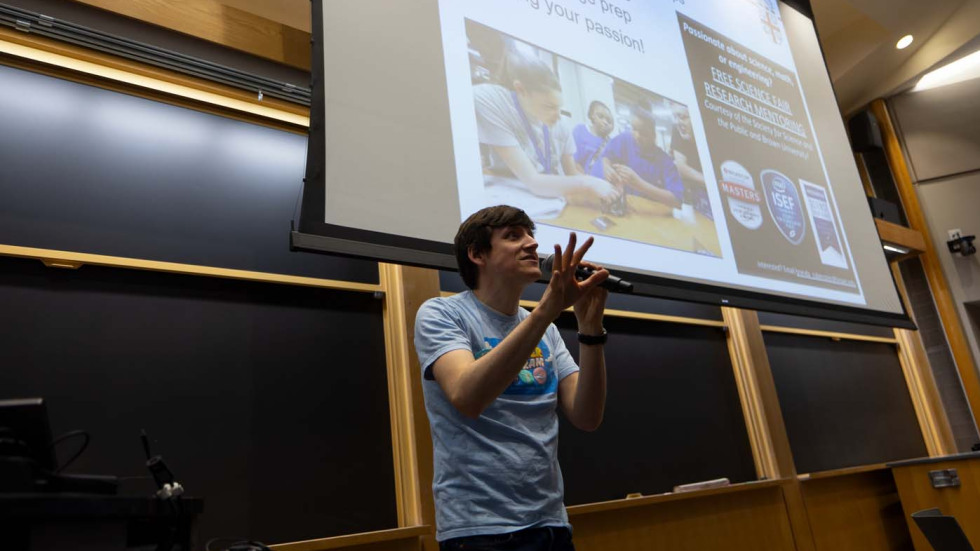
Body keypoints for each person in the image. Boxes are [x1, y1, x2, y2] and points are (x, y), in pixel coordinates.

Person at [414, 205, 609, 550]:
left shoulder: (544, 331)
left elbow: (587, 416)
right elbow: (468, 396)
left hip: (551, 524)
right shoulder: (442, 314)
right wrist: (547, 310)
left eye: (531, 234)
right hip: (478, 530)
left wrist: (590, 330)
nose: (533, 244)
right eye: (513, 236)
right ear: (477, 254)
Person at [474, 50, 619, 206]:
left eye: (559, 107)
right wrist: (589, 183)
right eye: (549, 107)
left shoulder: (561, 126)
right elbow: (534, 181)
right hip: (509, 200)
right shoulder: (492, 100)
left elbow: (572, 173)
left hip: (552, 203)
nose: (557, 116)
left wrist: (601, 187)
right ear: (520, 90)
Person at [599, 108, 684, 209]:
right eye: (634, 128)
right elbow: (607, 156)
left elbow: (677, 201)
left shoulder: (665, 161)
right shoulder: (625, 139)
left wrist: (640, 184)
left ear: (653, 136)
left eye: (644, 133)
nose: (637, 135)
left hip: (653, 214)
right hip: (625, 207)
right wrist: (606, 167)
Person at [572, 100, 615, 174]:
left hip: (602, 184)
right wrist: (586, 180)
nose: (605, 122)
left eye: (609, 121)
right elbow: (572, 161)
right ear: (592, 115)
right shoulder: (580, 130)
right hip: (581, 181)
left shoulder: (611, 143)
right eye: (600, 117)